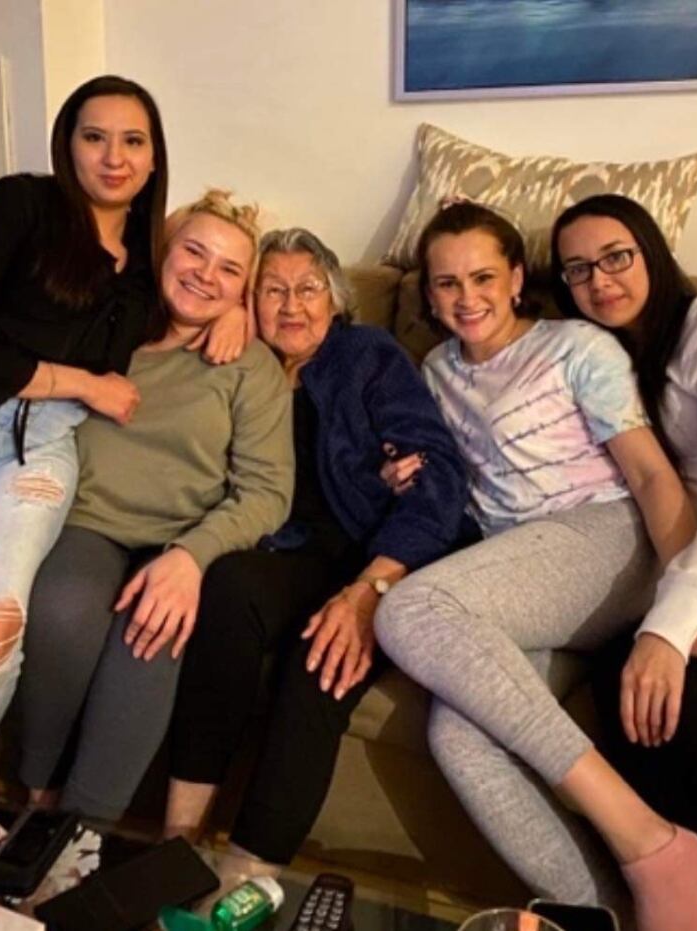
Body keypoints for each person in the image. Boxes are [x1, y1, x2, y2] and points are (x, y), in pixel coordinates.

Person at [374, 201, 697, 931]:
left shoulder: (576, 346)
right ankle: (620, 914)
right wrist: (410, 472)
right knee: (457, 735)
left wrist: (684, 606)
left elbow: (654, 477)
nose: (467, 297)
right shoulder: (435, 372)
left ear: (517, 277)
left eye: (483, 277)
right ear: (426, 294)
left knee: (408, 610)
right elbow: (453, 479)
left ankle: (650, 841)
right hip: (528, 573)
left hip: (606, 538)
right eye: (446, 283)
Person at [165, 227, 473, 888]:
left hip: (374, 551)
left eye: (308, 288)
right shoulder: (244, 362)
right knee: (228, 587)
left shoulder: (366, 355)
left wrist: (373, 585)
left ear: (335, 301)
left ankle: (246, 870)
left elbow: (437, 471)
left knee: (320, 664)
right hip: (290, 553)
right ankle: (177, 840)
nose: (291, 305)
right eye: (273, 289)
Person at [16, 190, 293, 820]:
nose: (205, 274)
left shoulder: (249, 366)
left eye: (230, 270)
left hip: (179, 538)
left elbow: (268, 492)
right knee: (61, 609)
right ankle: (36, 802)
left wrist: (190, 558)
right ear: (162, 253)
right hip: (88, 521)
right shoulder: (106, 324)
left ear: (245, 293)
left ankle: (82, 832)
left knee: (151, 637)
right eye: (193, 252)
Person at [0, 74, 168, 786]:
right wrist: (82, 382)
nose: (113, 157)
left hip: (36, 454)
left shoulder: (153, 257)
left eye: (133, 141)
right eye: (93, 137)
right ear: (67, 144)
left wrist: (234, 312)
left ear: (155, 157)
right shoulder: (22, 204)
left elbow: (216, 272)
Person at [551, 193, 697, 846]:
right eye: (578, 269)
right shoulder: (598, 357)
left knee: (655, 670)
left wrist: (672, 628)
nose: (600, 280)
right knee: (625, 686)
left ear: (650, 249)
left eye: (616, 257)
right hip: (689, 565)